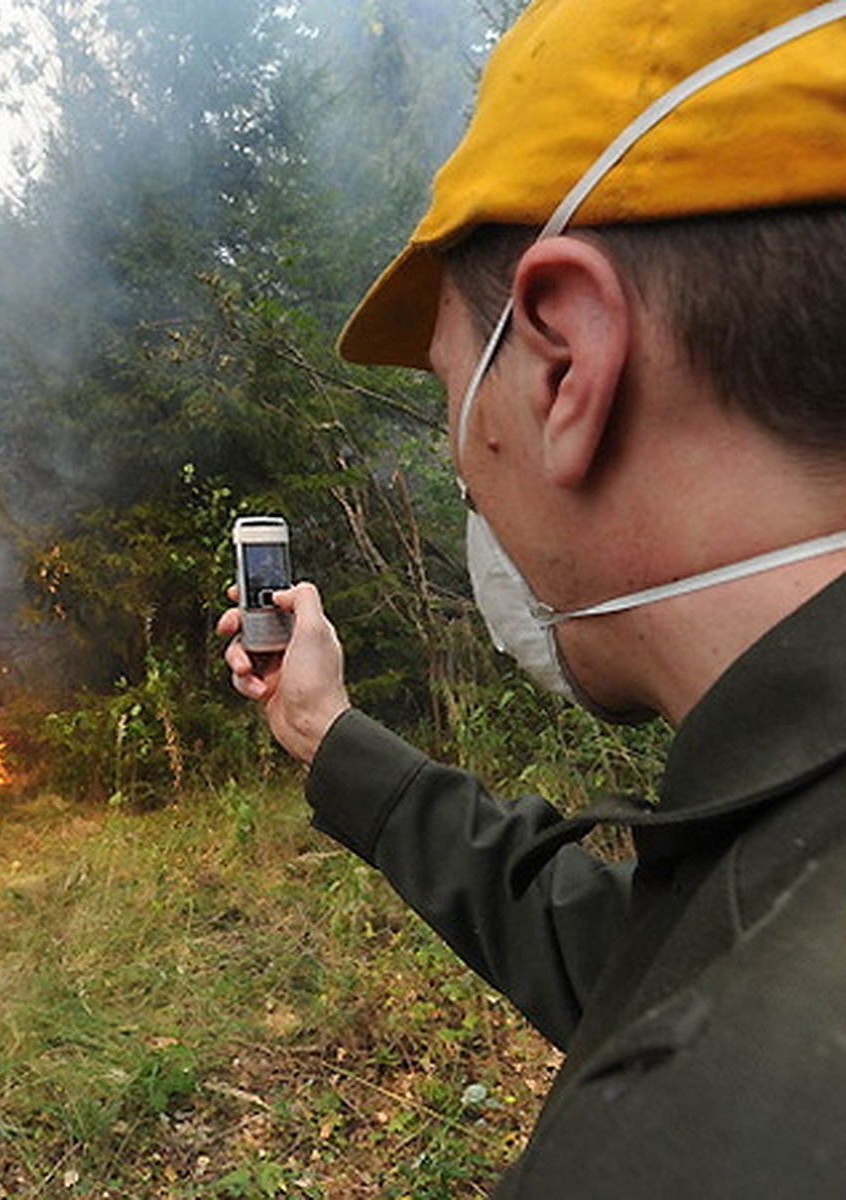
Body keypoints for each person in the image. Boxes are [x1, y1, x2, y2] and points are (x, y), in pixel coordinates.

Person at [219, 0, 846, 1195]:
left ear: (563, 359)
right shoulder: (790, 844)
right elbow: (663, 958)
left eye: (456, 385)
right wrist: (326, 735)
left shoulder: (706, 1136)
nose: (464, 465)